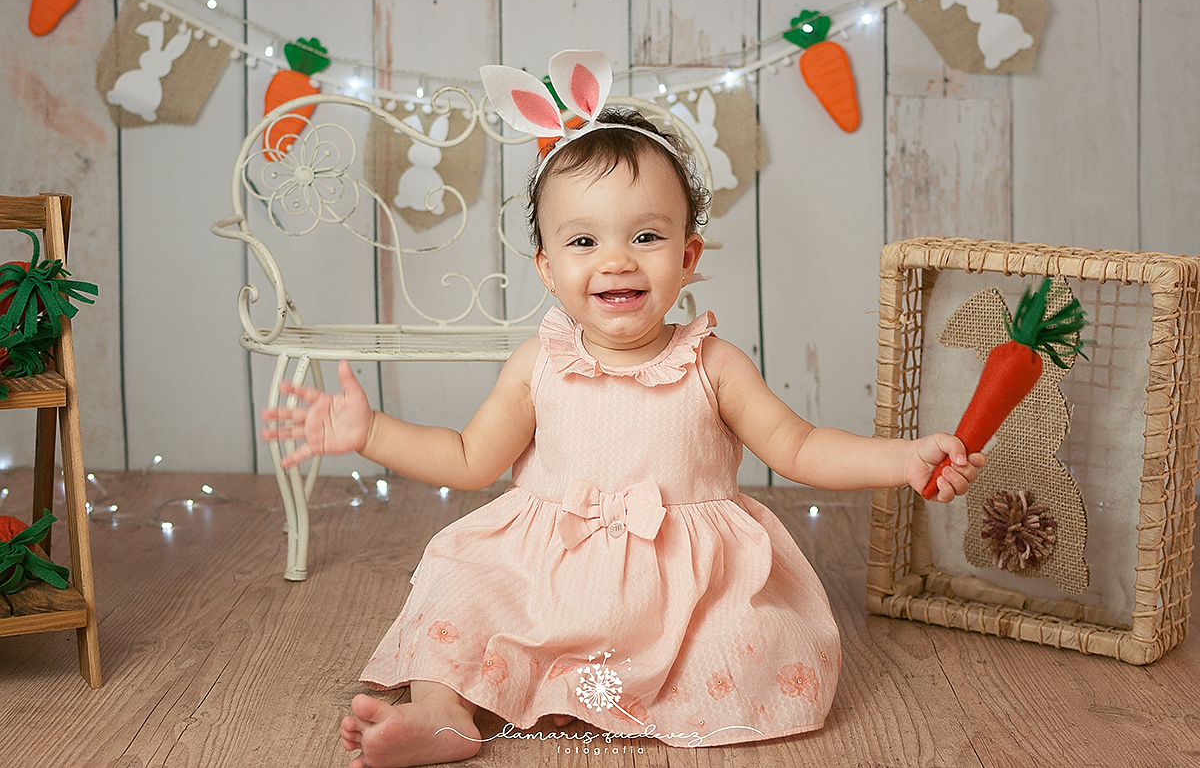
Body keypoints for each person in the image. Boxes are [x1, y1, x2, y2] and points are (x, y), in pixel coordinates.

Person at [260, 51, 984, 768]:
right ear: (548, 268)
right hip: (548, 573)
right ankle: (443, 714)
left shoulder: (714, 365)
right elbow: (468, 457)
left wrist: (902, 458)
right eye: (584, 240)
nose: (617, 259)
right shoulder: (539, 363)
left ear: (688, 256)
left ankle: (613, 689)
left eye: (646, 236)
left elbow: (799, 446)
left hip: (683, 591)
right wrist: (370, 431)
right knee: (460, 579)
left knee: (748, 637)